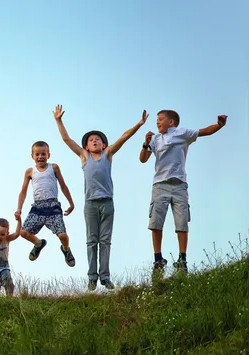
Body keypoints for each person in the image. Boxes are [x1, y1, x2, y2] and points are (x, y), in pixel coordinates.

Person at [53, 104, 148, 290]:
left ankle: (105, 277)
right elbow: (66, 139)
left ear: (103, 144)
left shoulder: (107, 154)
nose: (95, 141)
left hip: (107, 203)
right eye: (91, 140)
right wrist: (58, 120)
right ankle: (92, 277)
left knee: (105, 241)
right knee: (91, 240)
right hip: (90, 204)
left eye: (98, 139)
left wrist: (139, 124)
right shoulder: (83, 156)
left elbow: (124, 137)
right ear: (86, 146)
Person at [140, 110, 227, 275]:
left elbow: (204, 131)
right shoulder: (156, 138)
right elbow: (143, 159)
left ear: (171, 122)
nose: (157, 123)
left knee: (181, 223)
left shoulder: (183, 133)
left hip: (180, 185)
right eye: (156, 120)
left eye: (160, 120)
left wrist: (219, 125)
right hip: (160, 185)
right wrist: (145, 143)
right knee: (156, 223)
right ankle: (158, 258)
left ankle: (182, 259)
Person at [16, 140, 76, 267]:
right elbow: (23, 192)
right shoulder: (29, 172)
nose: (40, 157)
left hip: (53, 207)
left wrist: (71, 204)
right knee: (23, 232)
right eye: (37, 154)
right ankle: (38, 243)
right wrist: (19, 209)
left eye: (43, 154)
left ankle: (66, 250)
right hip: (37, 207)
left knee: (63, 236)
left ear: (48, 155)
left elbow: (63, 186)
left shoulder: (53, 167)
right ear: (32, 156)